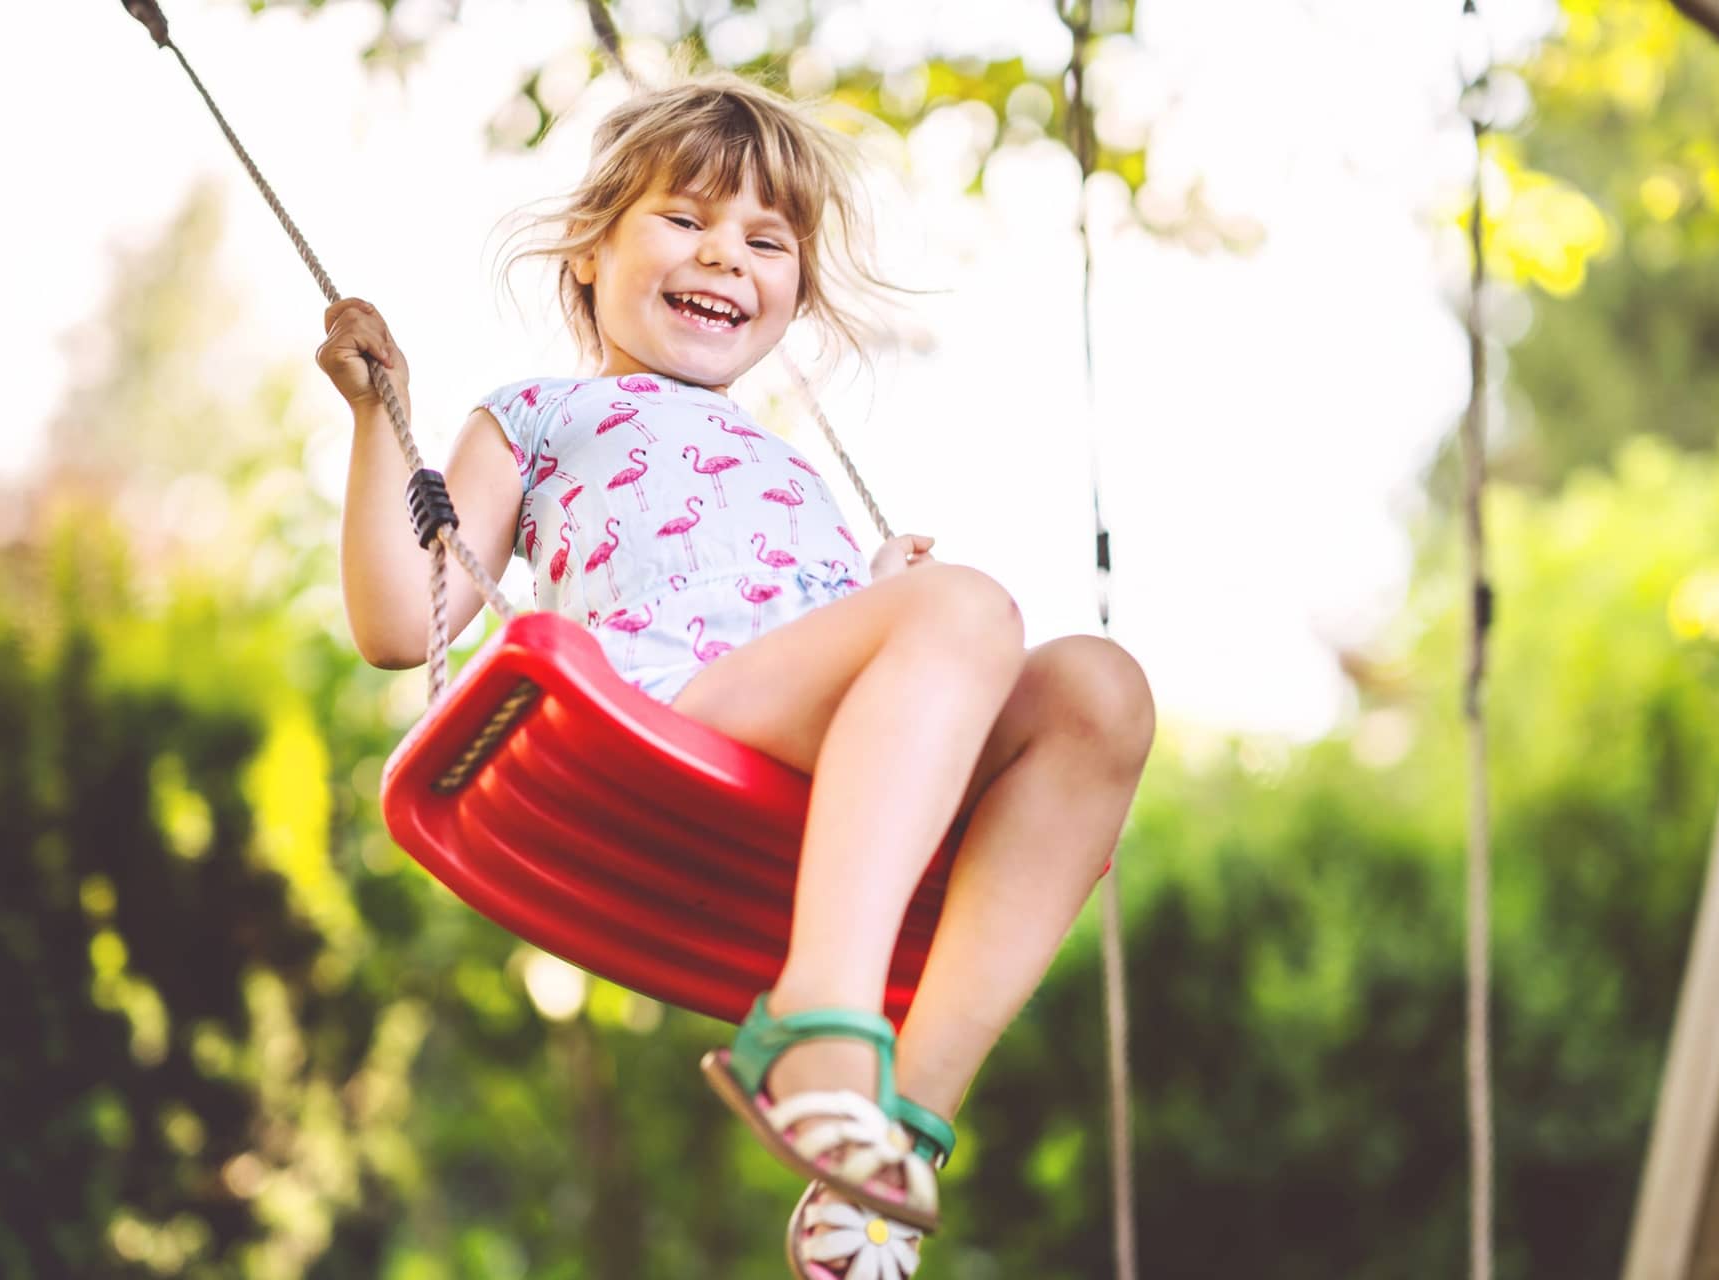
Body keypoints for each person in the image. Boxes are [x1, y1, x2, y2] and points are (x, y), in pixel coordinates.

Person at [319, 73, 1153, 1280]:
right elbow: (409, 622)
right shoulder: (540, 415)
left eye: (767, 241)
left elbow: (796, 612)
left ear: (793, 292)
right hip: (666, 713)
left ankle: (887, 1150)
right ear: (589, 253)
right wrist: (370, 417)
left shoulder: (788, 463)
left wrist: (873, 593)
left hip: (830, 755)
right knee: (966, 608)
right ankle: (818, 1023)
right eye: (684, 219)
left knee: (1098, 688)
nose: (727, 256)